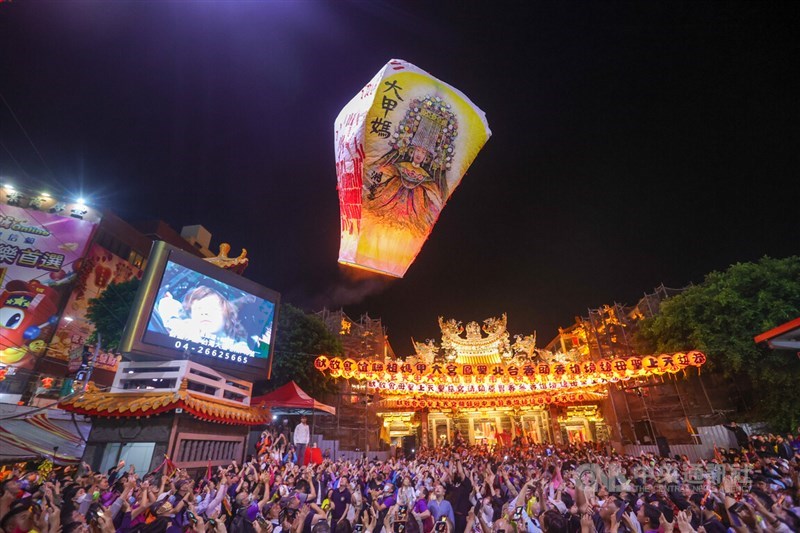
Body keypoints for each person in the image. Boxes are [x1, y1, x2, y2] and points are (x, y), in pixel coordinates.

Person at [156, 285, 253, 355]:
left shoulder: (237, 347)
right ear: (191, 315)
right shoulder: (185, 328)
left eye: (213, 308)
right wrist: (167, 299)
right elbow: (170, 313)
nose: (204, 313)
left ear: (227, 316)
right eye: (198, 309)